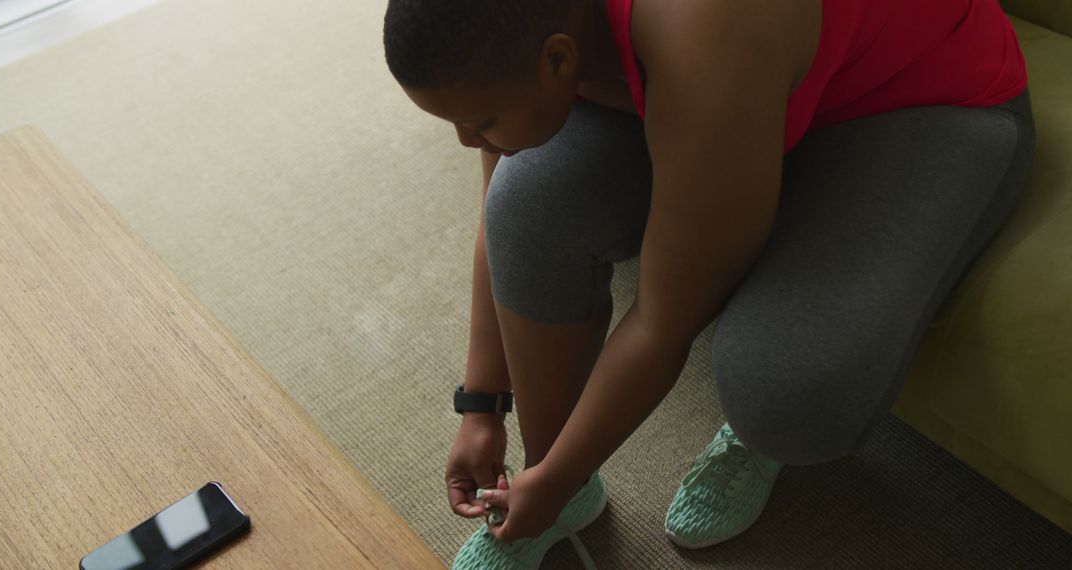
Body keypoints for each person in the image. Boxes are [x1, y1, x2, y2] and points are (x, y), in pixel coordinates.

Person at [383, 0, 1035, 566]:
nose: (469, 141)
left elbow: (665, 319)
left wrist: (556, 473)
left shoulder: (707, 37)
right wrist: (483, 406)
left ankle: (733, 445)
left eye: (483, 121)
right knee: (526, 206)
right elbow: (501, 186)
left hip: (910, 97)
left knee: (785, 387)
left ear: (559, 58)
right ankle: (556, 490)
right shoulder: (518, 27)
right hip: (753, 77)